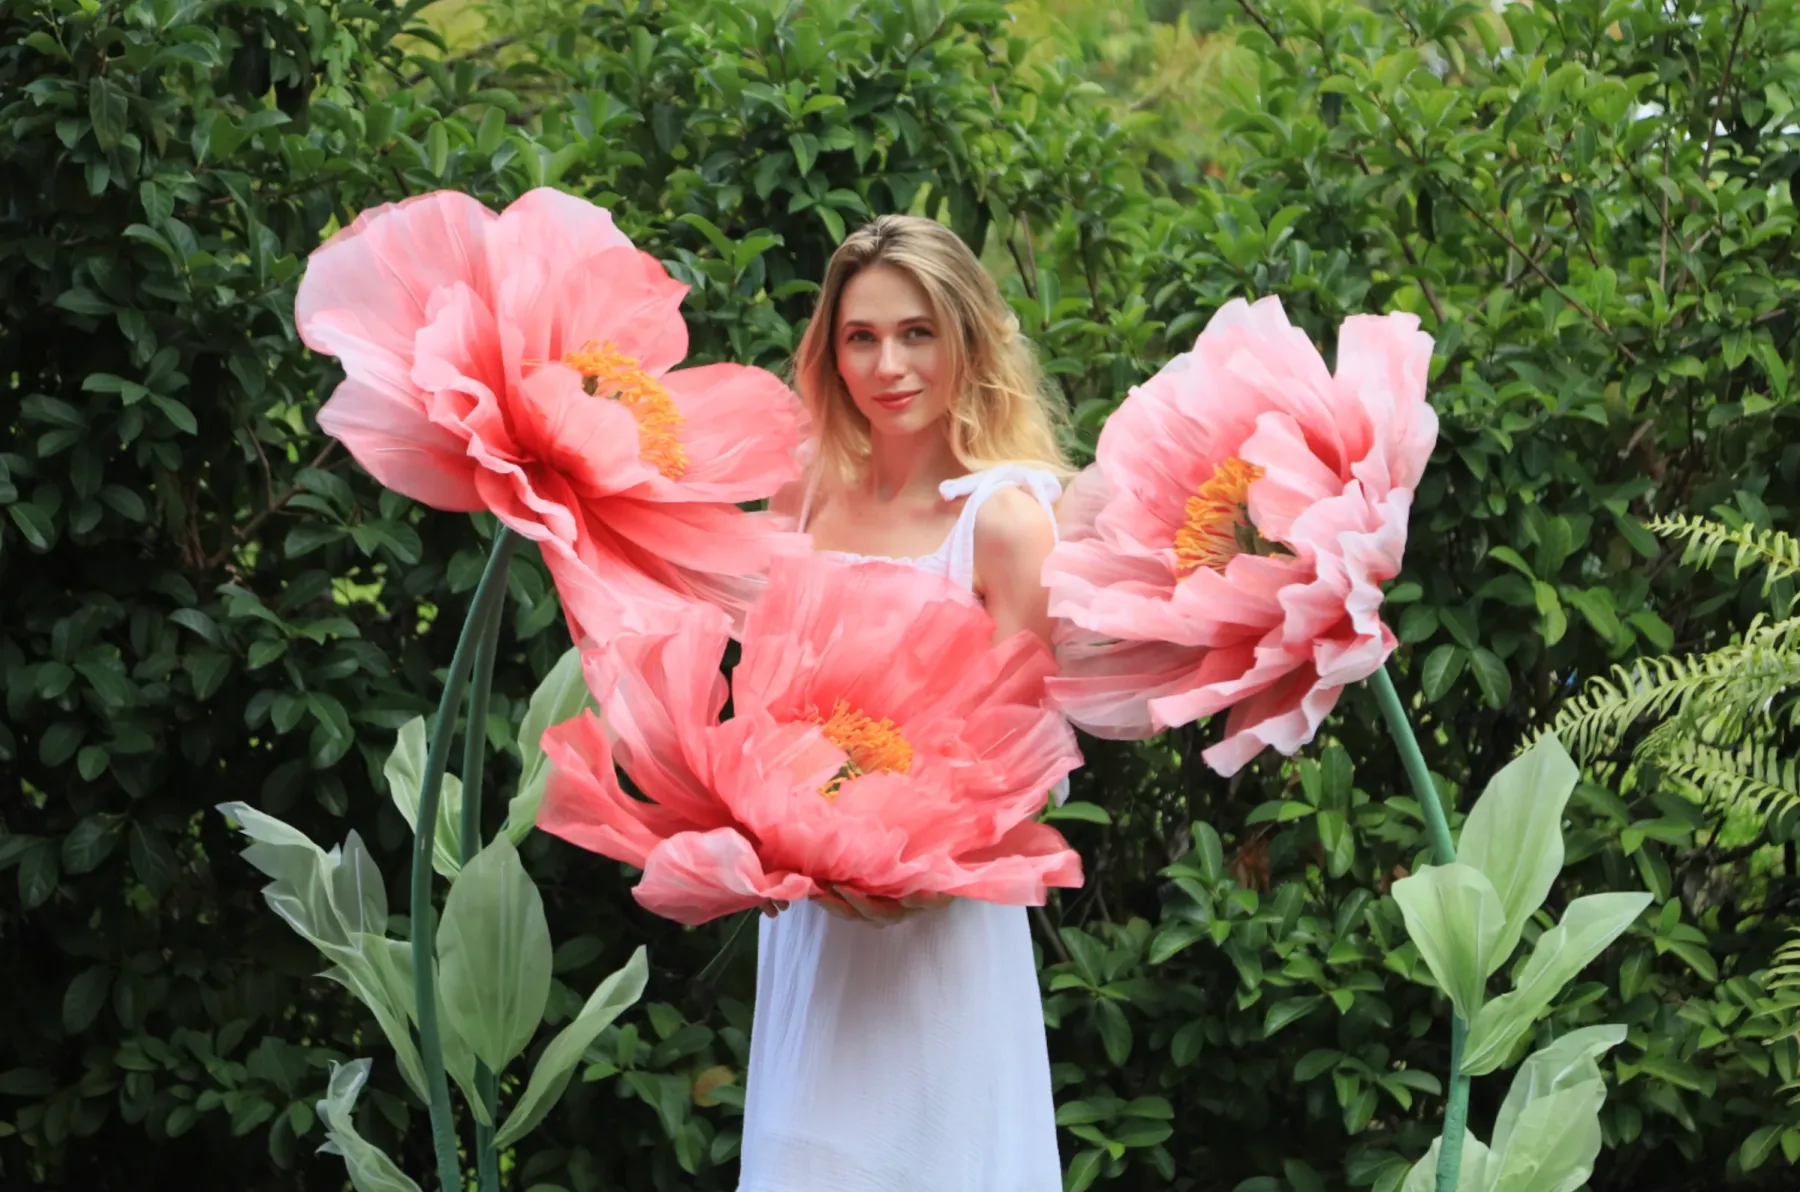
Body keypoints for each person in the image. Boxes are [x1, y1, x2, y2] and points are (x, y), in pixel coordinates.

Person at [735, 214, 1076, 1192]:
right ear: (831, 352)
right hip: (812, 928)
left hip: (938, 935)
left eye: (917, 332)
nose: (889, 365)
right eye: (862, 336)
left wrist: (907, 865)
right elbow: (755, 711)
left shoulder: (1006, 526)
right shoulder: (800, 505)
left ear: (966, 338)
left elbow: (1023, 769)